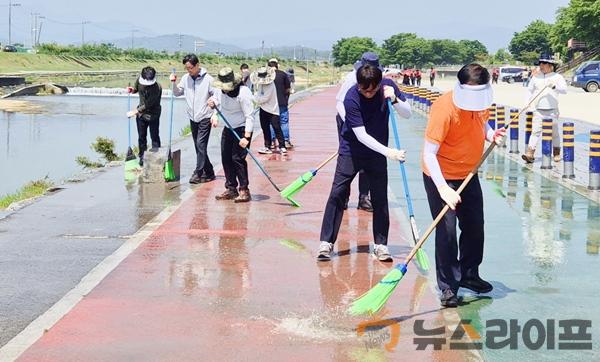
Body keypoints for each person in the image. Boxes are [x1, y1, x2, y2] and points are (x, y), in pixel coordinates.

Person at [421, 63, 505, 307]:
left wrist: (491, 135)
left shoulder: (481, 103)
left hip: (468, 173)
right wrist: (443, 189)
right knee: (446, 231)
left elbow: (481, 123)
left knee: (474, 226)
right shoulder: (444, 109)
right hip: (441, 174)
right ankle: (448, 286)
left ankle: (469, 274)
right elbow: (429, 153)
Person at [317, 63, 411, 262]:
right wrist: (389, 153)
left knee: (379, 198)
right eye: (363, 89)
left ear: (378, 84)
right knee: (337, 193)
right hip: (352, 150)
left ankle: (381, 245)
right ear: (358, 85)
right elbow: (361, 135)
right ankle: (326, 242)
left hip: (376, 154)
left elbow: (407, 113)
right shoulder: (351, 97)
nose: (368, 93)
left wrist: (394, 100)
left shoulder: (388, 86)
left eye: (372, 90)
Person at [335, 52, 382, 212]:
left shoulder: (378, 79)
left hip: (366, 121)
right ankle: (344, 197)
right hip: (347, 119)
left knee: (367, 158)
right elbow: (340, 103)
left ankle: (363, 198)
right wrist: (351, 122)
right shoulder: (352, 78)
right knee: (349, 159)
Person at [208, 67, 254, 203]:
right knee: (226, 158)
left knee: (237, 159)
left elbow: (250, 116)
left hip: (241, 129)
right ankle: (231, 188)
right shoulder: (219, 89)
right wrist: (213, 110)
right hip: (228, 127)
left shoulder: (243, 92)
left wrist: (246, 137)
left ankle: (244, 190)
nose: (225, 90)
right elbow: (216, 100)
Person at [170, 54, 216, 184]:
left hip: (205, 116)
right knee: (198, 146)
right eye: (186, 68)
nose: (188, 70)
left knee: (201, 145)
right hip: (192, 116)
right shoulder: (185, 78)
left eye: (190, 68)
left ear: (197, 65)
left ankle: (198, 172)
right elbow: (177, 93)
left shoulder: (208, 80)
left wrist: (214, 113)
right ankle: (210, 172)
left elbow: (217, 96)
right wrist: (173, 83)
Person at [521, 53, 567, 164]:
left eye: (544, 63)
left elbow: (564, 90)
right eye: (540, 63)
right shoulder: (536, 77)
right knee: (535, 131)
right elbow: (530, 90)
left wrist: (554, 86)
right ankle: (530, 153)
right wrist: (527, 103)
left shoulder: (557, 77)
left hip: (552, 109)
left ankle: (556, 153)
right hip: (538, 109)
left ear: (550, 64)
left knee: (554, 133)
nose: (541, 66)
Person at [126, 66, 162, 166]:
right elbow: (137, 89)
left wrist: (134, 111)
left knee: (154, 136)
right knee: (141, 137)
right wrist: (132, 90)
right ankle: (142, 157)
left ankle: (156, 158)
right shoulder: (139, 80)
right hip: (141, 115)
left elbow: (148, 104)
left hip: (153, 115)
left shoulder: (157, 88)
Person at [251, 66, 286, 155]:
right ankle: (267, 146)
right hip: (263, 109)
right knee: (265, 128)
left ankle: (282, 146)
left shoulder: (271, 85)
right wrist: (256, 97)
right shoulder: (261, 84)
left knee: (277, 128)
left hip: (272, 110)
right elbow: (258, 94)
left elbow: (265, 98)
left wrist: (255, 98)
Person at [268, 58, 293, 149]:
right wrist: (286, 99)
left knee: (271, 123)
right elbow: (288, 89)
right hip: (282, 102)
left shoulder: (267, 76)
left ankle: (272, 141)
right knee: (284, 122)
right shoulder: (283, 74)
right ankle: (286, 141)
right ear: (277, 65)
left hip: (270, 104)